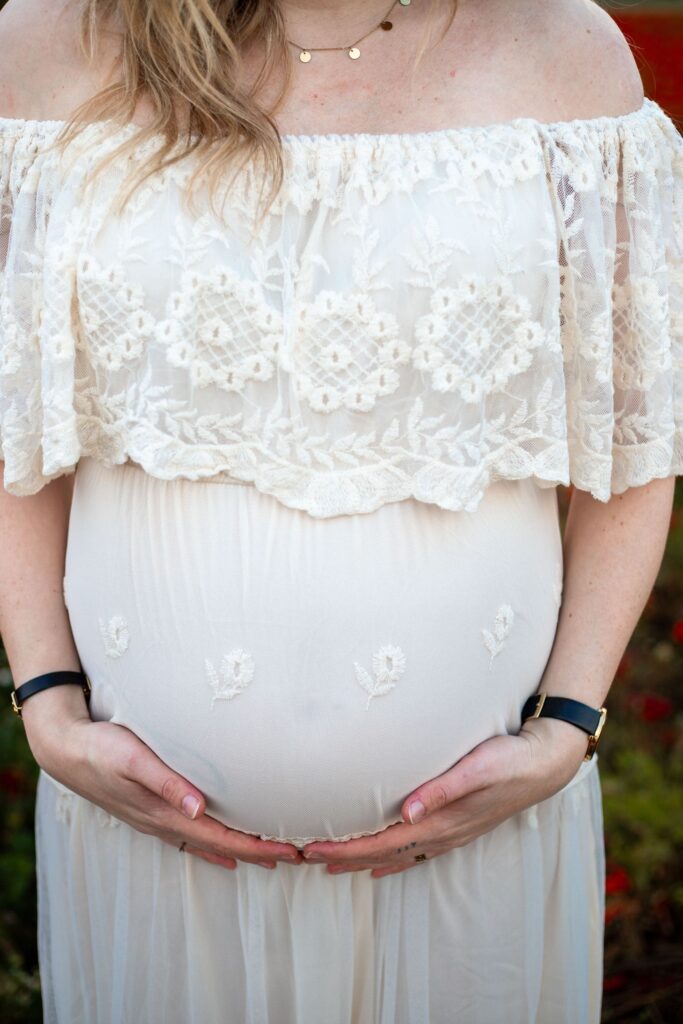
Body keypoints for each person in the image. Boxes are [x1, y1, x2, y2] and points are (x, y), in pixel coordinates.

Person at [0, 0, 681, 1020]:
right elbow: (14, 413)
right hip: (146, 851)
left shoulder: (562, 53)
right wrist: (46, 702)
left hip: (470, 856)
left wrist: (566, 724)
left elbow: (632, 431)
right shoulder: (48, 45)